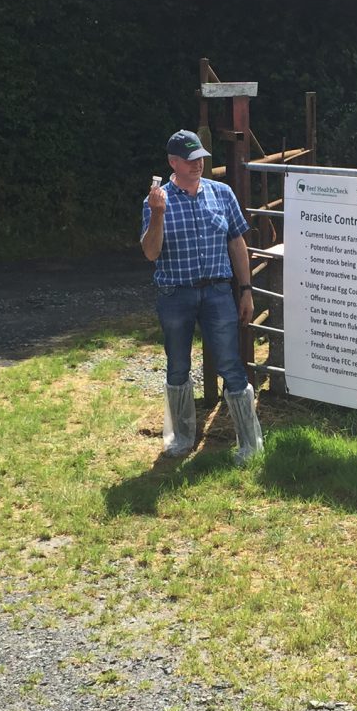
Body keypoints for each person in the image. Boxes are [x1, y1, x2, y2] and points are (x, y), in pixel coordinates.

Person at [140, 129, 263, 462]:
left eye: (201, 159)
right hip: (175, 294)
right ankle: (180, 439)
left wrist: (246, 290)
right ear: (173, 162)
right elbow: (151, 253)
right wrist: (157, 215)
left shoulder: (221, 193)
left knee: (230, 364)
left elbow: (238, 242)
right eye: (191, 160)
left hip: (218, 293)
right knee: (178, 365)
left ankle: (251, 444)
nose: (199, 165)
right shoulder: (157, 200)